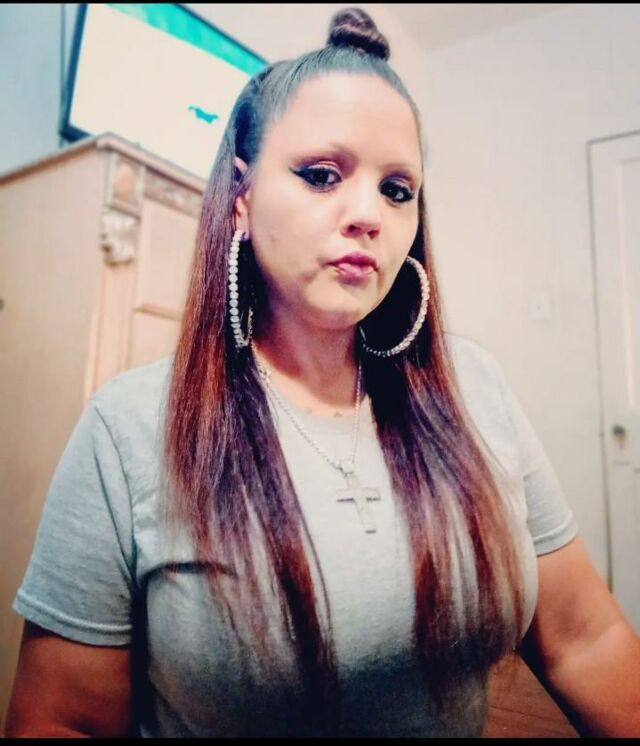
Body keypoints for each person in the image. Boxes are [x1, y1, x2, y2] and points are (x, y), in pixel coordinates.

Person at [6, 7, 640, 739]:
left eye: (397, 190)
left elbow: (587, 639)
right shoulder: (128, 429)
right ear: (242, 198)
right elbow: (60, 722)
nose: (368, 214)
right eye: (320, 175)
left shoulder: (476, 387)